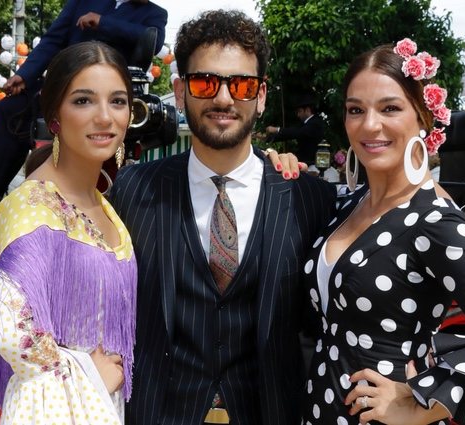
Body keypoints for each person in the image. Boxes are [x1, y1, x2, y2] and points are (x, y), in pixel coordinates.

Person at [299, 40, 465, 424]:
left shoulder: (432, 220)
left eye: (390, 108)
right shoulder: (346, 205)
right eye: (355, 110)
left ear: (423, 118)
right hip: (321, 408)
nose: (369, 124)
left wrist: (421, 405)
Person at [109, 10, 337, 425]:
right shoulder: (133, 190)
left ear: (261, 95)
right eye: (205, 82)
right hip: (159, 412)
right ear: (180, 91)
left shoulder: (310, 199)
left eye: (243, 85)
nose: (224, 98)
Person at [0, 41, 138, 424]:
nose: (105, 117)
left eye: (117, 102)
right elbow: (10, 331)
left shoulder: (103, 204)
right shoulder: (30, 206)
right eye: (84, 101)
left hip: (101, 404)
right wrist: (87, 371)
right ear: (54, 117)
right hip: (56, 406)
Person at [0, 0, 168, 220]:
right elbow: (53, 40)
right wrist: (24, 76)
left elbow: (152, 40)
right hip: (60, 88)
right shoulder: (82, 2)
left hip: (104, 99)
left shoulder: (155, 14)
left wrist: (103, 22)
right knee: (10, 110)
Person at [265, 93, 326, 165]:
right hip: (305, 162)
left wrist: (276, 129)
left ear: (307, 110)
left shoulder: (315, 123)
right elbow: (289, 133)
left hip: (313, 164)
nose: (298, 115)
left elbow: (296, 132)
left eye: (299, 111)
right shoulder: (304, 124)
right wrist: (267, 137)